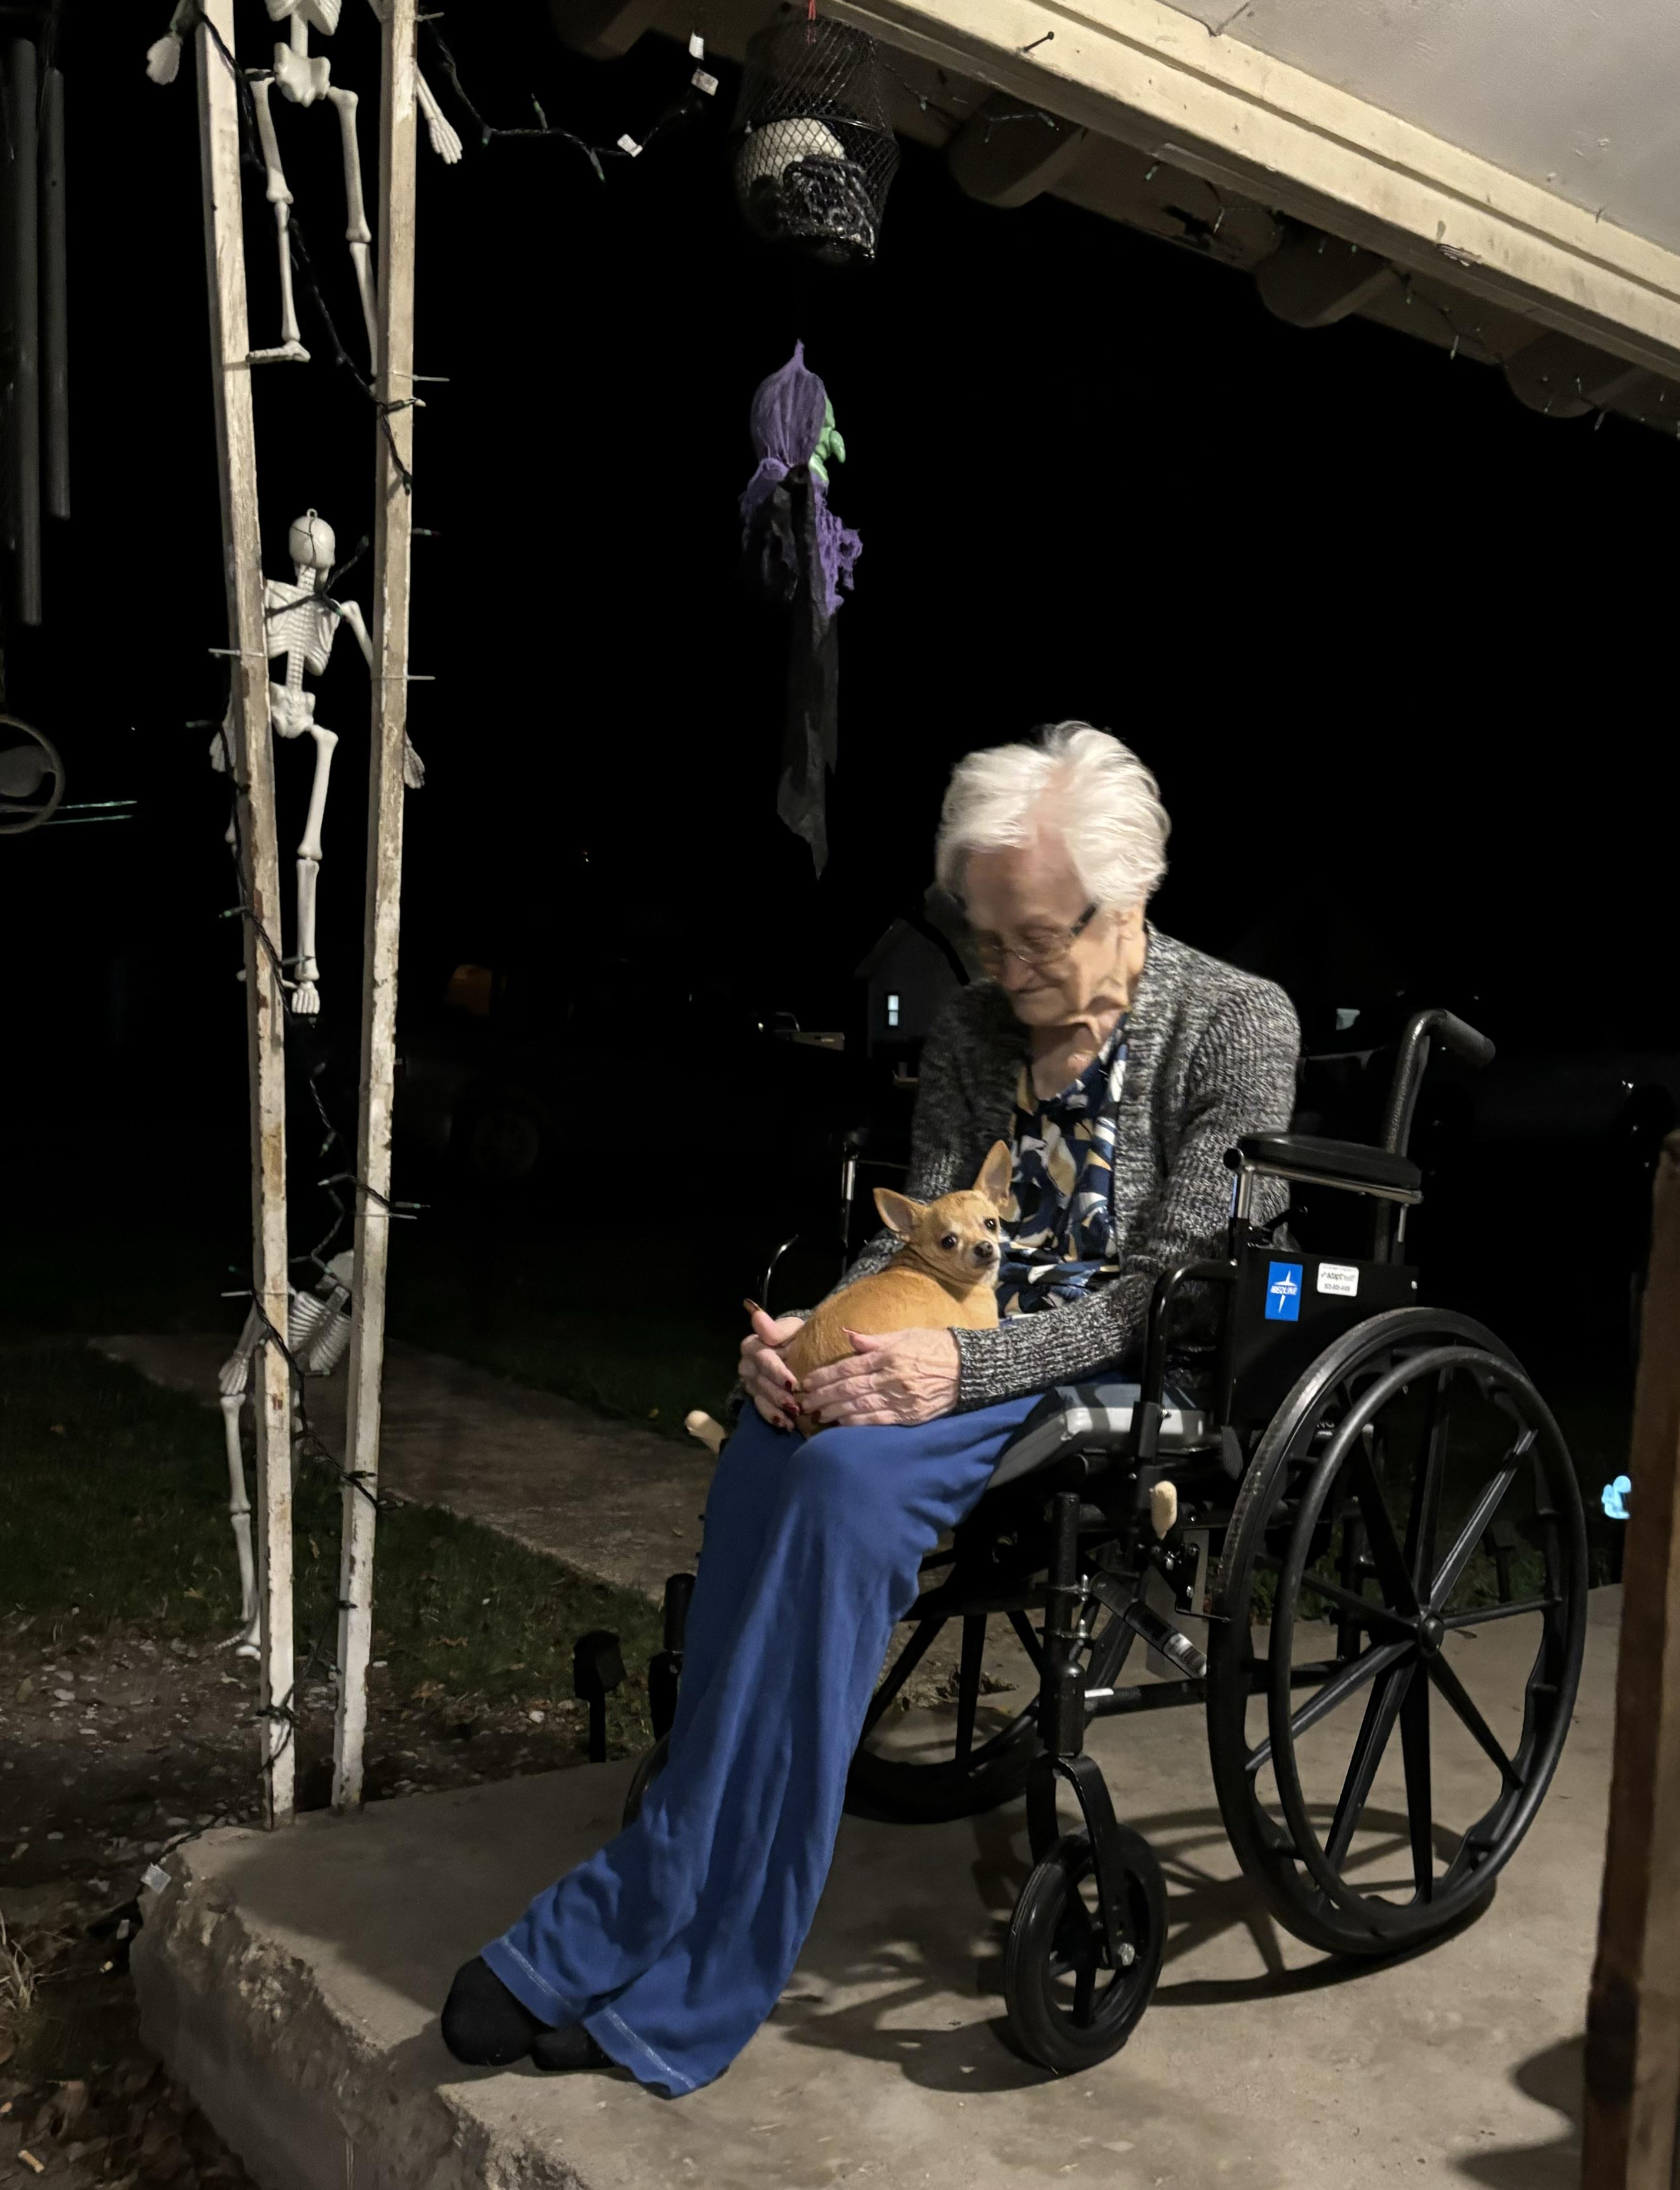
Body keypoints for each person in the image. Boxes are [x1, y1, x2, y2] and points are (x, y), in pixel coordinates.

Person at [440, 722, 1299, 2093]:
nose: (1007, 977)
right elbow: (919, 1244)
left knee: (843, 1488)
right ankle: (654, 1899)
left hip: (1113, 1369)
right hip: (948, 1339)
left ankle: (683, 1970)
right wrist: (813, 1339)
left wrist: (968, 1369)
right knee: (778, 1437)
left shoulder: (1239, 1022)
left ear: (1129, 900)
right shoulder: (974, 1029)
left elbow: (1173, 1292)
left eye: (1037, 942)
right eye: (986, 940)